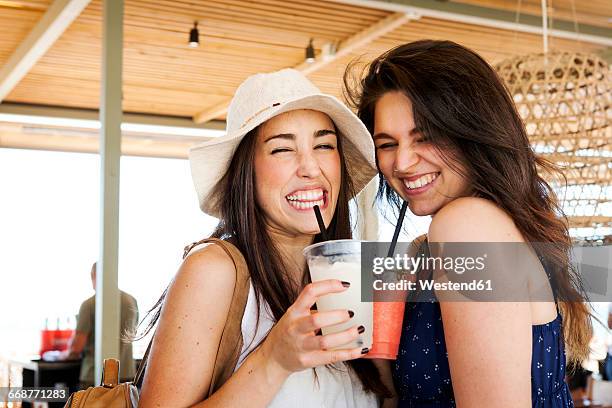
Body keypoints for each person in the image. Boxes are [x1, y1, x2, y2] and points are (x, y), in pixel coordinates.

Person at [344, 40, 592, 407]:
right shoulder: (457, 235)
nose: (404, 163)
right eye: (387, 143)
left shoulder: (466, 225)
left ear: (472, 132)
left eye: (425, 137)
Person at [138, 69, 392, 407]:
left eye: (324, 145)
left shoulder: (346, 281)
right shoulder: (213, 271)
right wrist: (274, 359)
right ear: (247, 172)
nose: (311, 168)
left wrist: (386, 367)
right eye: (282, 149)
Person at [60, 262, 139, 388]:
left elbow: (76, 348)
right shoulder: (131, 301)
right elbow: (132, 335)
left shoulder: (89, 305)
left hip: (94, 376)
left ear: (93, 275)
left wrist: (64, 354)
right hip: (127, 374)